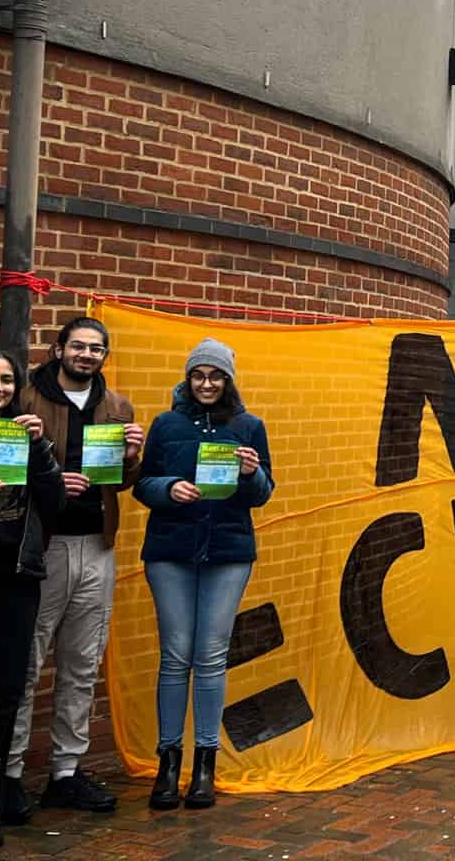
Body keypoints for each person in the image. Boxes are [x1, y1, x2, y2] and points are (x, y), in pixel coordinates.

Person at [3, 317, 143, 824]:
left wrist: (131, 456)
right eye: (78, 346)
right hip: (42, 548)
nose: (86, 355)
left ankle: (65, 772)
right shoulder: (25, 399)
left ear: (105, 356)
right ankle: (10, 776)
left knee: (82, 664)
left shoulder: (117, 405)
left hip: (97, 545)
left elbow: (124, 482)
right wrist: (50, 480)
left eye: (96, 349)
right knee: (26, 661)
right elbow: (0, 471)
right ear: (58, 348)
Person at [132, 339, 272, 811]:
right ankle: (168, 763)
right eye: (199, 375)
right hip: (170, 551)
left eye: (215, 376)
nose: (207, 384)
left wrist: (252, 473)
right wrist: (170, 488)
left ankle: (205, 765)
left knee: (211, 656)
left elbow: (262, 493)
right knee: (175, 656)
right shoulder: (166, 424)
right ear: (188, 380)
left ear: (228, 379)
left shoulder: (249, 426)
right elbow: (142, 484)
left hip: (228, 553)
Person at [0, 349, 65, 846]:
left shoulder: (24, 437)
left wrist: (42, 451)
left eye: (6, 380)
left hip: (15, 583)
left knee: (0, 697)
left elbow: (55, 503)